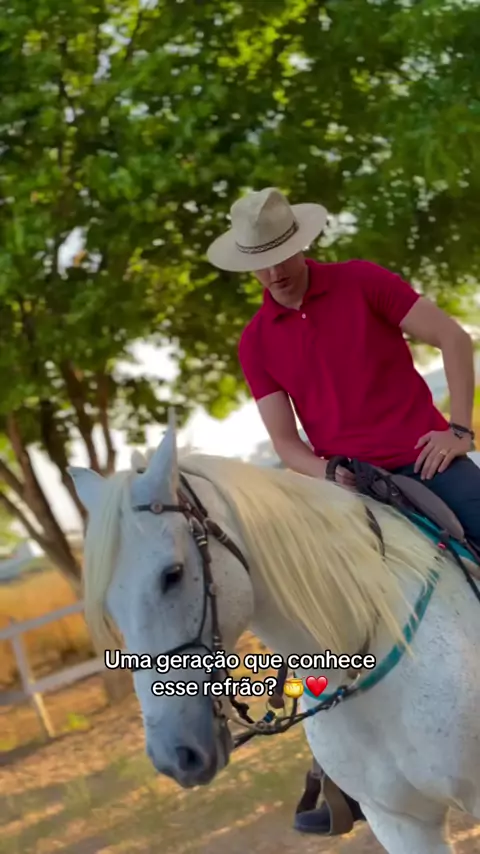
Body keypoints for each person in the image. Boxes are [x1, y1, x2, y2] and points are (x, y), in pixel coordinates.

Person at [206, 186, 479, 836]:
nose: (274, 272)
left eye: (282, 254)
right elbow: (285, 443)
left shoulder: (363, 281)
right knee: (312, 614)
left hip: (427, 461)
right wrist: (326, 472)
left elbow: (453, 338)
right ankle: (338, 769)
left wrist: (459, 430)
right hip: (345, 487)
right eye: (260, 263)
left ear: (302, 244)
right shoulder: (256, 342)